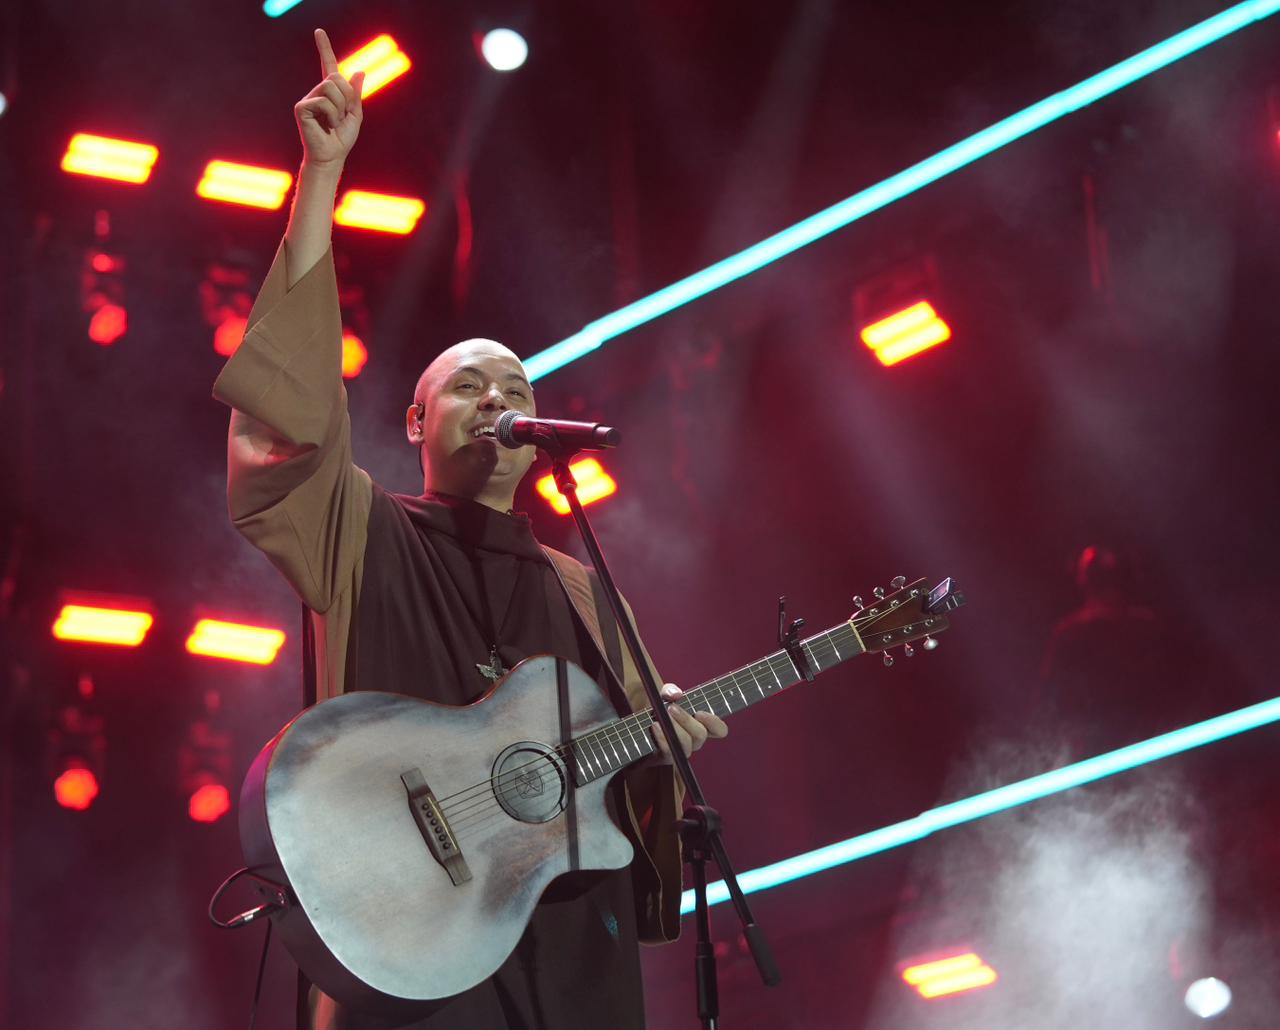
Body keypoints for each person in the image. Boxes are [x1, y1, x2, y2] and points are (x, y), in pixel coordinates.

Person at [212, 29, 727, 1030]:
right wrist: (319, 180)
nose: (499, 399)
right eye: (471, 387)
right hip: (412, 950)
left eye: (518, 388)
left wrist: (664, 733)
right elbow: (288, 428)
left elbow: (632, 789)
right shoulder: (363, 531)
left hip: (569, 947)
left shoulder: (579, 581)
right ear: (415, 422)